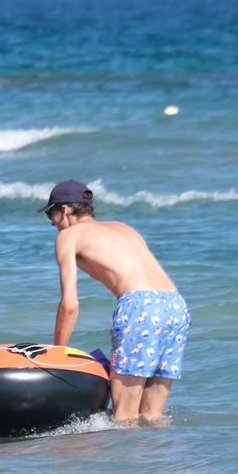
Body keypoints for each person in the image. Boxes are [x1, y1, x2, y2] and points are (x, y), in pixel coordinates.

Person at [39, 179, 190, 425]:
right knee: (152, 416)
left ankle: (125, 463)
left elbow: (70, 304)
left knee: (125, 418)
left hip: (140, 307)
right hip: (175, 306)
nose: (53, 223)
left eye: (51, 215)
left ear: (64, 210)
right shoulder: (124, 227)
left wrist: (58, 354)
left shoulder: (68, 237)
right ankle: (162, 462)